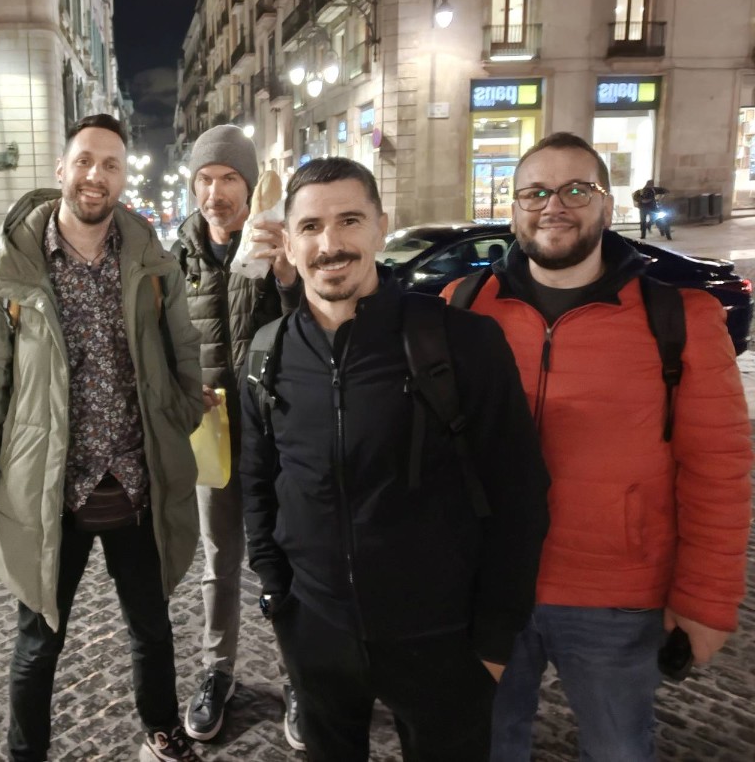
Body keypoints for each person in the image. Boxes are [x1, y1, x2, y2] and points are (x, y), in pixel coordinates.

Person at [442, 132, 752, 762]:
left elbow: (718, 469)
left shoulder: (681, 318)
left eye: (576, 190)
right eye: (535, 192)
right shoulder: (465, 307)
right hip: (489, 584)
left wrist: (705, 600)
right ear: (514, 208)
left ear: (608, 206)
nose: (553, 206)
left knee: (618, 749)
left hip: (616, 595)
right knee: (485, 744)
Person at [242, 157, 550, 762]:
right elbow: (258, 485)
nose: (330, 244)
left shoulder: (461, 341)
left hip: (441, 638)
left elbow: (519, 492)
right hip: (318, 635)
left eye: (349, 221)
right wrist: (280, 601)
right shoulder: (266, 354)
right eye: (310, 227)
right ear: (290, 243)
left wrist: (493, 640)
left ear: (382, 227)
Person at [0, 113, 205, 762]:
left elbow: (185, 352)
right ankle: (24, 753)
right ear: (61, 169)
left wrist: (178, 417)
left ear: (122, 178)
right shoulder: (5, 274)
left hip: (136, 483)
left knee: (152, 627)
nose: (96, 175)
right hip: (48, 490)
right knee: (39, 642)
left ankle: (162, 728)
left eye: (110, 164)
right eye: (85, 160)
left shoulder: (153, 265)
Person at [172, 124, 302, 748]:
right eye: (204, 179)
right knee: (218, 558)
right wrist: (181, 389)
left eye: (228, 178)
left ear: (250, 187)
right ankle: (216, 670)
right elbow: (162, 343)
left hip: (275, 431)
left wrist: (287, 275)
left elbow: (310, 326)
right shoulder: (178, 257)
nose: (215, 192)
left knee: (286, 554)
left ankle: (298, 676)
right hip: (211, 432)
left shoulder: (277, 241)